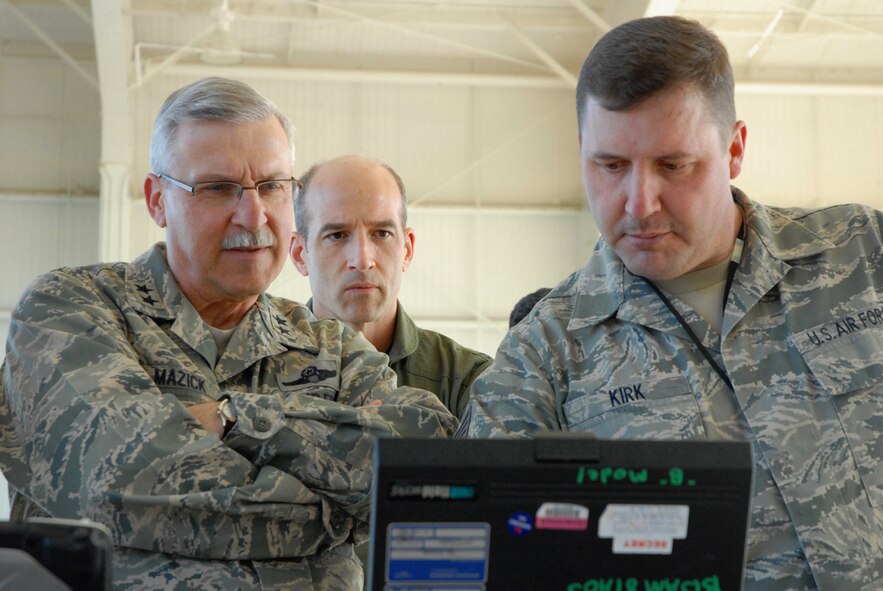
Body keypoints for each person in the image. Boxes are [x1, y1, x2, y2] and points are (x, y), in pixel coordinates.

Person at [463, 15, 883, 590]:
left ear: (734, 149)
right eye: (610, 166)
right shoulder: (543, 356)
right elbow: (495, 561)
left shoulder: (862, 256)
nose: (639, 203)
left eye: (673, 165)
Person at [0, 77, 456, 590]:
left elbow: (422, 458)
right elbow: (113, 479)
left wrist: (235, 419)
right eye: (217, 188)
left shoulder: (331, 345)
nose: (254, 215)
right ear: (156, 200)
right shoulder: (72, 309)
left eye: (271, 187)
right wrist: (334, 512)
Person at [290, 155, 491, 419]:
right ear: (300, 254)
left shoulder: (470, 383)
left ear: (406, 250)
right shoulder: (258, 373)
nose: (362, 260)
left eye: (382, 233)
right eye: (336, 235)